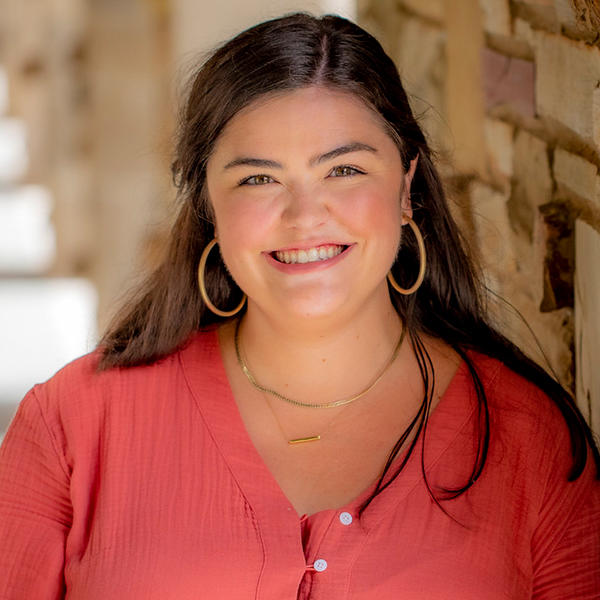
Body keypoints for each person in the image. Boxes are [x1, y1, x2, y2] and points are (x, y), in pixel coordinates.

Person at [0, 12, 598, 599]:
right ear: (208, 202)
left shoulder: (530, 444)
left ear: (408, 187)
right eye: (259, 179)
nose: (304, 216)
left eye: (343, 169)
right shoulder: (73, 427)